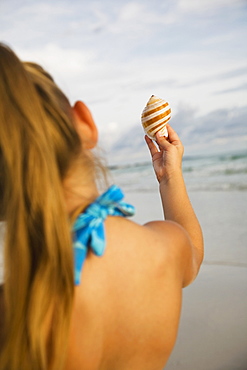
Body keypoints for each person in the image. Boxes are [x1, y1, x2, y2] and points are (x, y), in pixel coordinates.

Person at [0, 43, 204, 370]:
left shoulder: (18, 306)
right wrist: (170, 175)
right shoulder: (164, 250)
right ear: (85, 122)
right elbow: (193, 250)